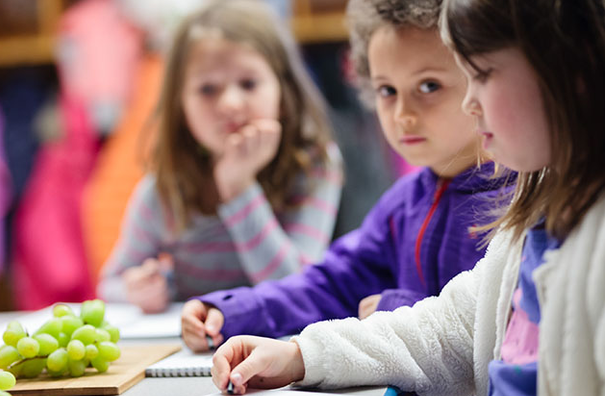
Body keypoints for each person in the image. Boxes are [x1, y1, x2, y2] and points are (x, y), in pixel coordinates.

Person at [209, 0, 605, 394]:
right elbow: (453, 325)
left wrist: (391, 306)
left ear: (572, 71)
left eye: (480, 75)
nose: (470, 101)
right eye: (386, 90)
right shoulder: (530, 207)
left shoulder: (530, 201)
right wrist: (292, 349)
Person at [180, 0, 516, 352]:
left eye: (429, 86)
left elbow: (496, 324)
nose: (402, 114)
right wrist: (232, 311)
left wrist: (396, 311)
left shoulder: (519, 202)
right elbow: (333, 283)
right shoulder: (403, 203)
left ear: (480, 78)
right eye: (387, 90)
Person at [97, 0, 343, 313]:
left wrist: (238, 188)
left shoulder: (313, 165)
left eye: (249, 83)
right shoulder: (165, 190)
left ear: (283, 92)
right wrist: (138, 290)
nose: (230, 102)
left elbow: (291, 288)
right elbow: (110, 283)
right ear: (180, 106)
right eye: (208, 89)